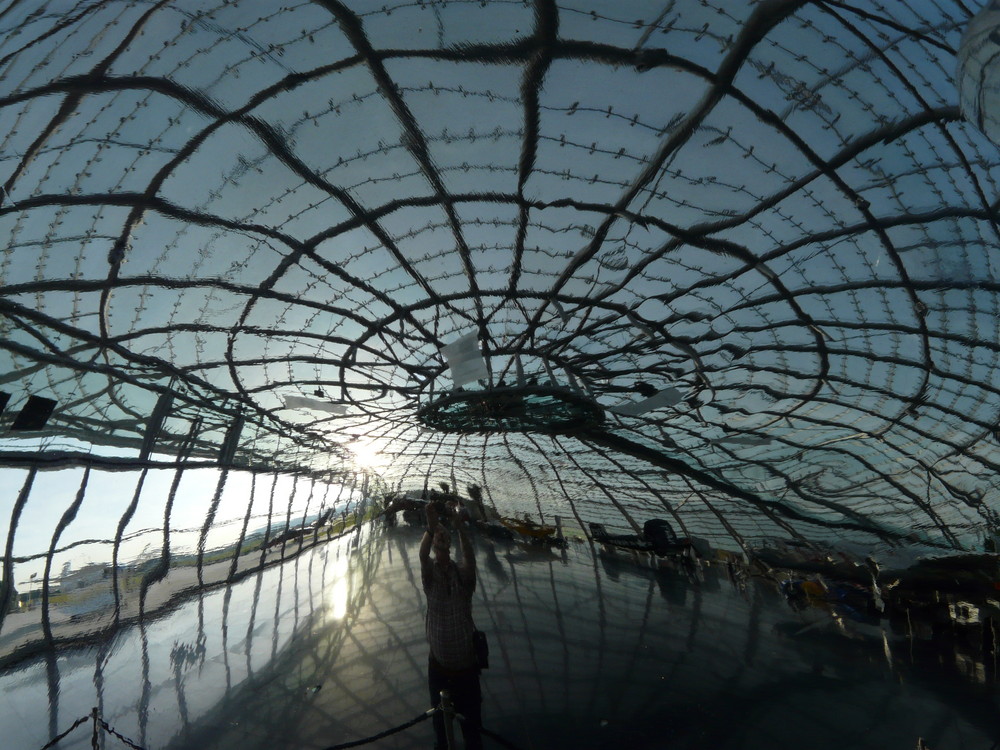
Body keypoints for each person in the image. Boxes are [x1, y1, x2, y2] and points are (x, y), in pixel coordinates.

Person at [420, 501, 482, 750]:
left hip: (465, 670)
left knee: (472, 726)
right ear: (435, 544)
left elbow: (470, 558)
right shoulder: (430, 577)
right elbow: (422, 556)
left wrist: (460, 529)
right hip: (439, 669)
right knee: (440, 726)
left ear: (449, 543)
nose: (441, 537)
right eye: (438, 536)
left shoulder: (462, 576)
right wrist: (431, 526)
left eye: (445, 535)